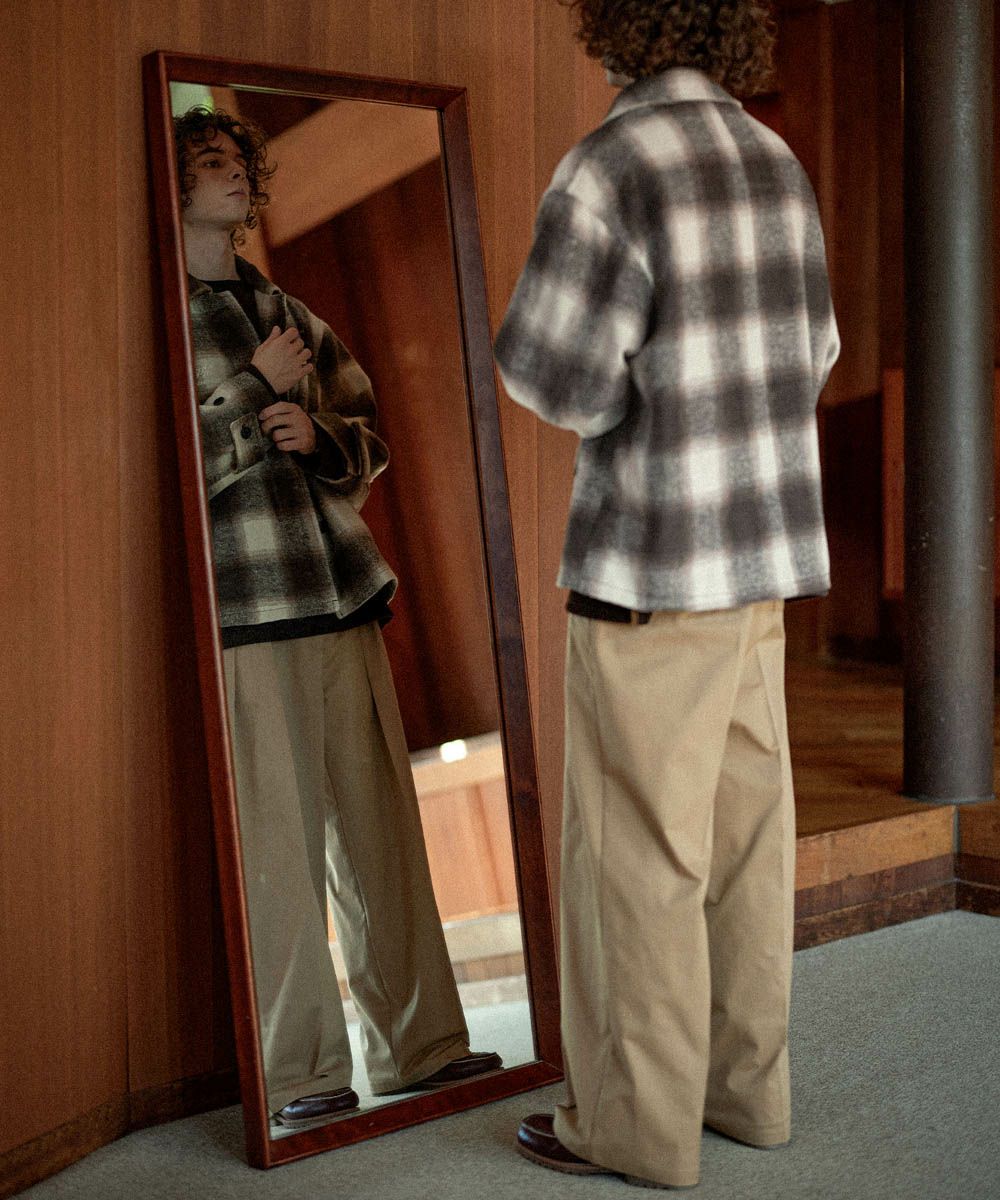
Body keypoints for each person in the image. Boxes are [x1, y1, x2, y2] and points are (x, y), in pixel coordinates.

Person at [494, 0, 839, 1189]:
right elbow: (816, 352)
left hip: (650, 567)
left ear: (618, 26)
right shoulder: (772, 155)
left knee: (636, 857)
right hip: (762, 564)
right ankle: (748, 1096)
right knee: (746, 842)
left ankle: (633, 1130)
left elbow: (558, 378)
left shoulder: (611, 165)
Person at [174, 105, 501, 1128]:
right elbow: (161, 470)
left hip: (340, 592)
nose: (235, 174)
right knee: (275, 852)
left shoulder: (291, 310)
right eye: (210, 161)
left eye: (238, 160)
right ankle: (301, 1075)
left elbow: (368, 434)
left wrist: (317, 437)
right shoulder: (160, 315)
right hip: (246, 612)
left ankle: (422, 1048)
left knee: (380, 833)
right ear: (173, 184)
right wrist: (249, 392)